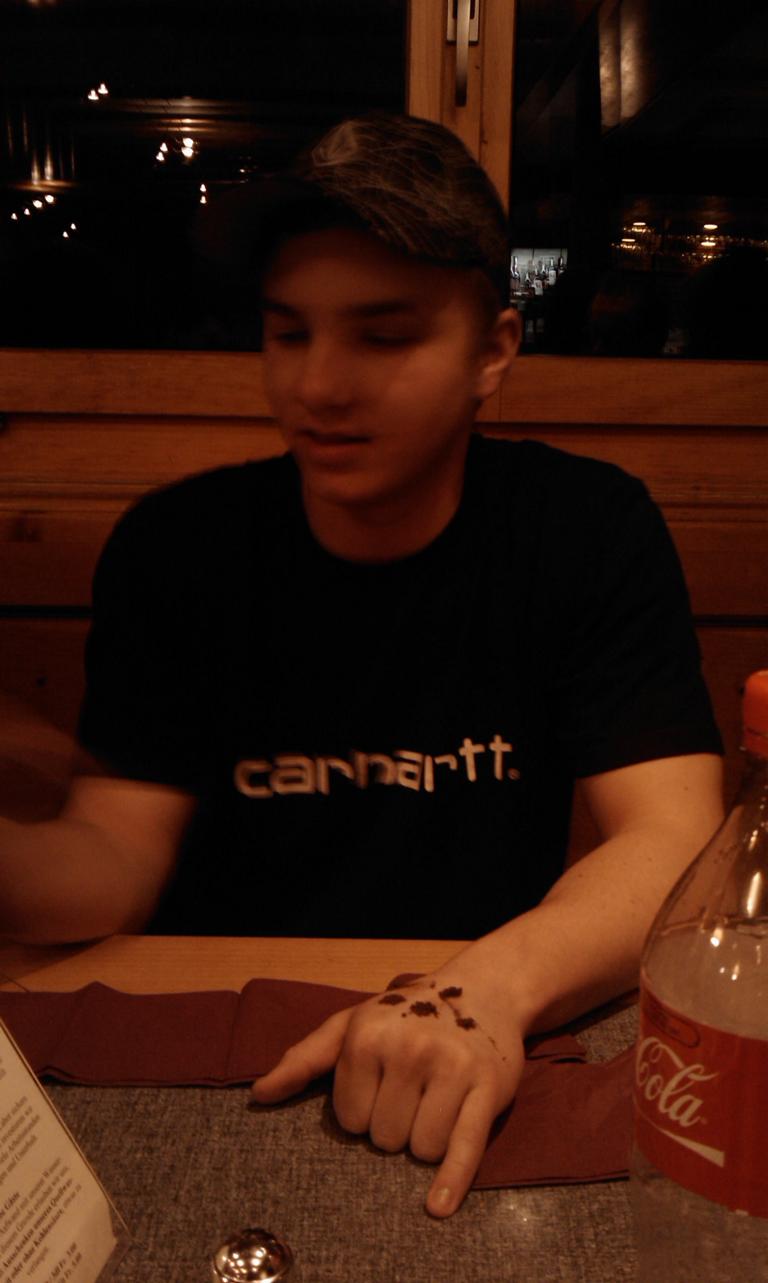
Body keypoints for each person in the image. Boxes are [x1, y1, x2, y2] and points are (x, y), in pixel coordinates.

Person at [0, 113, 723, 1217]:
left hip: (489, 1012)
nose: (321, 385)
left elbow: (671, 838)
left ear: (494, 352)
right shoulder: (178, 547)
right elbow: (115, 854)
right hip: (220, 1030)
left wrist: (479, 993)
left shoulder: (585, 528)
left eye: (383, 337)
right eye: (288, 333)